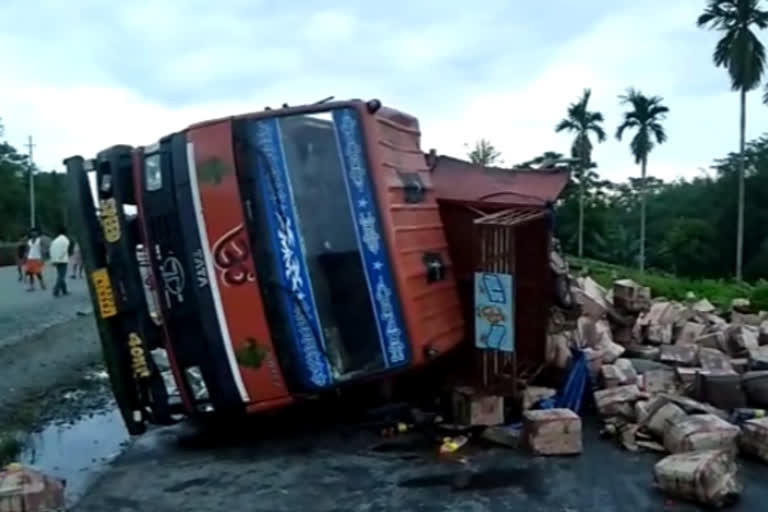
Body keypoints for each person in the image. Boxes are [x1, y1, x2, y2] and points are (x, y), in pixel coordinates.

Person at [50, 226, 71, 297]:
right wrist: (59, 258)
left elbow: (51, 250)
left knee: (60, 275)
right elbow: (64, 251)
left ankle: (64, 290)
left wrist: (54, 260)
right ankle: (56, 290)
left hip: (56, 260)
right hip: (63, 260)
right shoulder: (65, 240)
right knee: (61, 276)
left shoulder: (54, 240)